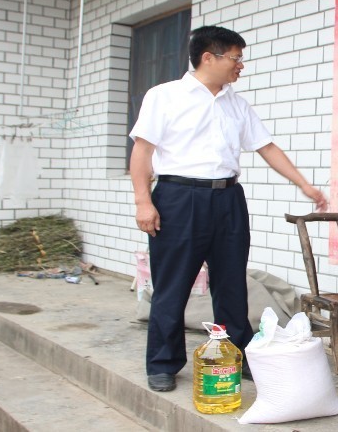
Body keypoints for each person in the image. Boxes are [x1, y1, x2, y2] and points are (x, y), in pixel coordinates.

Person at [129, 25, 327, 392]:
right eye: (236, 58)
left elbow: (266, 146)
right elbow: (142, 151)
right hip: (177, 198)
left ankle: (238, 352)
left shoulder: (237, 103)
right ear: (209, 57)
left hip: (228, 199)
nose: (241, 66)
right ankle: (163, 363)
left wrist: (303, 184)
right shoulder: (165, 96)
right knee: (172, 286)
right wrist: (144, 201)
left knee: (232, 283)